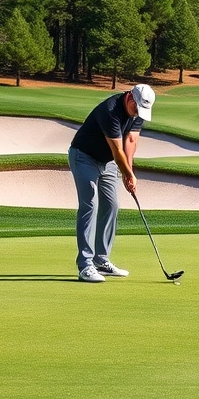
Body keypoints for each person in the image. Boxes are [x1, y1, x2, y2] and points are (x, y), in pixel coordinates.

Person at [68, 84, 155, 283]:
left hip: (106, 162)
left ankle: (101, 260)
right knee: (90, 205)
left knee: (112, 204)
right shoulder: (110, 111)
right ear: (130, 99)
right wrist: (127, 173)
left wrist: (129, 173)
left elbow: (131, 141)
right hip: (84, 156)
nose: (137, 114)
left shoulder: (138, 110)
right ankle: (85, 265)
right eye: (136, 109)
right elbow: (117, 151)